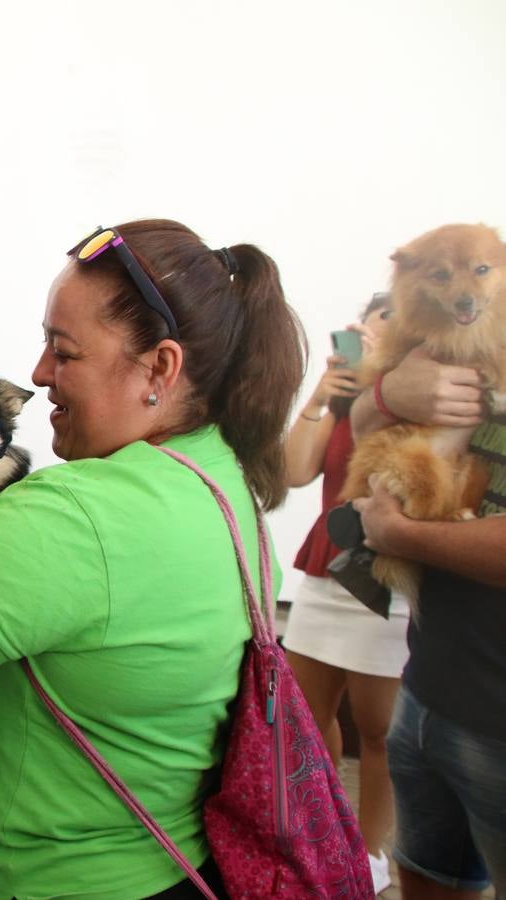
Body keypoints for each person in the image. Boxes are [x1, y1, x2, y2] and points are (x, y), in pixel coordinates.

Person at [0, 219, 305, 899]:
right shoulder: (220, 479)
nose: (40, 374)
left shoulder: (76, 515)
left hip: (35, 876)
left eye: (62, 350)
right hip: (167, 862)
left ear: (159, 368)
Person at [349, 349, 506, 898]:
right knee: (426, 876)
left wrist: (400, 536)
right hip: (428, 686)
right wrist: (386, 396)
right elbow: (365, 433)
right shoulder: (469, 329)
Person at [282, 292, 400, 894]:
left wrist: (384, 385)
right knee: (308, 714)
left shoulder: (415, 403)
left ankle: (375, 855)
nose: (363, 331)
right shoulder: (345, 395)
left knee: (379, 730)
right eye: (363, 321)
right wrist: (324, 393)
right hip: (329, 570)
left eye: (380, 322)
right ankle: (324, 830)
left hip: (389, 580)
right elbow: (295, 472)